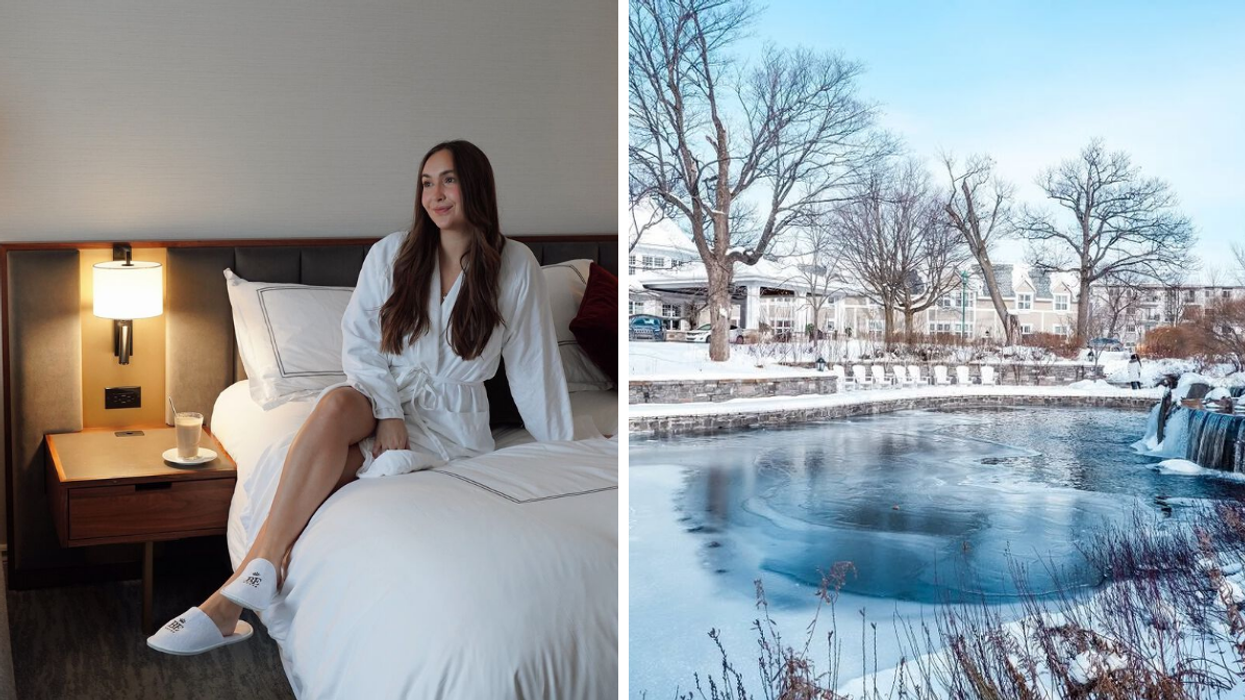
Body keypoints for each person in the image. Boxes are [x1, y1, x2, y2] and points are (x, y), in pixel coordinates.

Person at [148, 140, 574, 655]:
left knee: (332, 464)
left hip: (452, 423)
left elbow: (535, 370)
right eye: (426, 182)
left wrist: (565, 451)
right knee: (332, 404)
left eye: (448, 180)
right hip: (377, 399)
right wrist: (389, 414)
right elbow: (360, 344)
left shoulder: (515, 264)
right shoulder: (393, 253)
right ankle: (253, 577)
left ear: (476, 187)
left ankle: (228, 599)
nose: (434, 195)